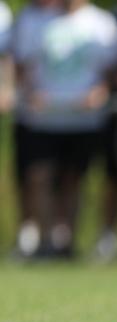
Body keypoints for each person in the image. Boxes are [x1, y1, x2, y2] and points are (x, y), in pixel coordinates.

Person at [16, 0, 117, 259]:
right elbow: (22, 64)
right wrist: (30, 91)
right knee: (39, 176)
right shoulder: (35, 19)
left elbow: (113, 67)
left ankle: (66, 241)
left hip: (83, 119)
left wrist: (100, 91)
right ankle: (44, 239)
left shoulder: (101, 22)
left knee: (73, 180)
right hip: (42, 117)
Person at [8, 0, 60, 258]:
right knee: (32, 177)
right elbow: (17, 62)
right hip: (32, 116)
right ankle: (33, 237)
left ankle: (54, 239)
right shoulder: (26, 18)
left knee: (62, 178)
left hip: (66, 117)